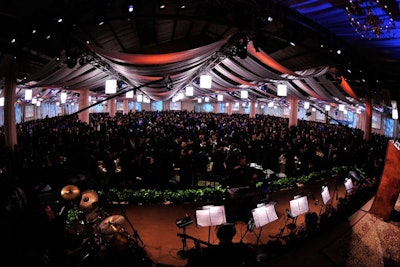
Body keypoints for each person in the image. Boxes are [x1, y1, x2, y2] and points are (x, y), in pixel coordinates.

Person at [186, 223, 256, 267]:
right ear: (233, 234)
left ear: (218, 235)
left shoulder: (211, 251)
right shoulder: (240, 248)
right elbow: (251, 252)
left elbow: (197, 259)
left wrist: (198, 248)